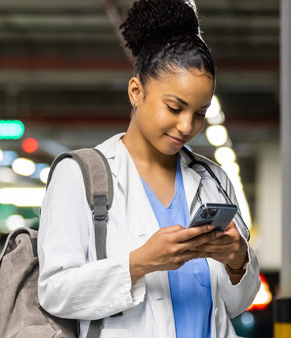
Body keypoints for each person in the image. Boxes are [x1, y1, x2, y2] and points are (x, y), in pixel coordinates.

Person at [37, 0, 260, 337]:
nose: (187, 126)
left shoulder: (213, 180)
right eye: (174, 107)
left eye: (200, 113)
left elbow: (236, 304)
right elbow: (54, 291)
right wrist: (140, 262)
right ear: (136, 92)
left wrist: (237, 260)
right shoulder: (80, 175)